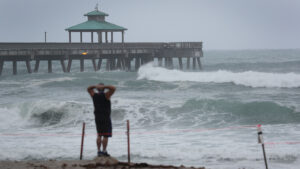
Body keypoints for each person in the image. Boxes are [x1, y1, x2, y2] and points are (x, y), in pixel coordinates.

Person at [87, 83, 116, 157]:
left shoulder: (94, 95)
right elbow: (113, 88)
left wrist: (94, 86)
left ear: (97, 89)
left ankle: (99, 151)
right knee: (105, 136)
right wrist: (105, 86)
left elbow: (88, 89)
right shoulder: (106, 95)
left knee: (99, 135)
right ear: (104, 89)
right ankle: (104, 151)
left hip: (97, 117)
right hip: (105, 117)